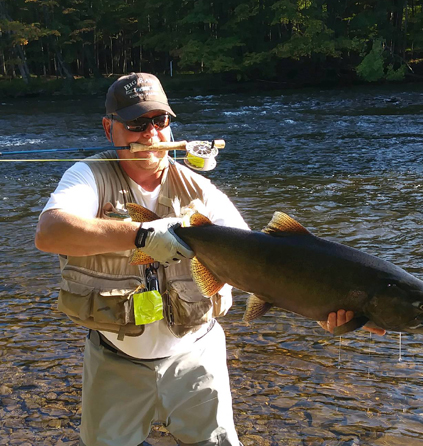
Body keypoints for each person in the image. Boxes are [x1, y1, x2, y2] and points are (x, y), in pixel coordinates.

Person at [35, 73, 384, 446]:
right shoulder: (87, 176)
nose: (150, 134)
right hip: (114, 360)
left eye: (159, 121)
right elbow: (49, 233)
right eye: (136, 123)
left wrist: (330, 307)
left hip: (197, 358)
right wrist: (139, 235)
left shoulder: (201, 191)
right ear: (110, 128)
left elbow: (262, 264)